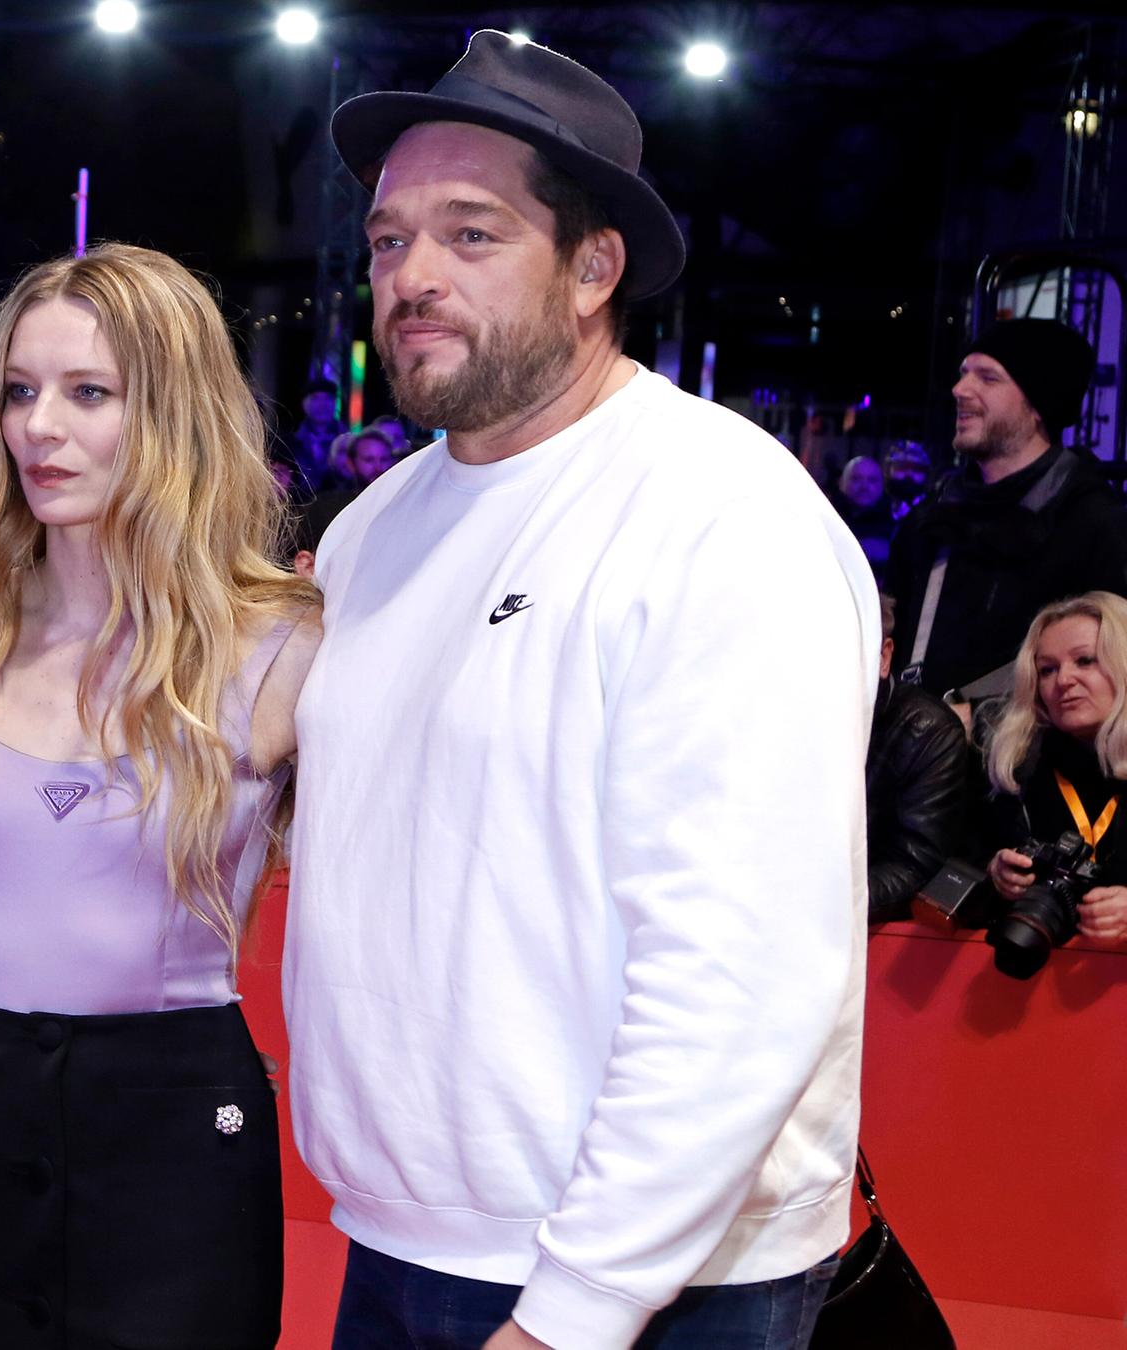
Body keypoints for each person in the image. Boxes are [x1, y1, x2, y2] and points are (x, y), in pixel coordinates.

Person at [292, 33, 875, 1350]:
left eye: (471, 234)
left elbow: (743, 961)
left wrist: (581, 1304)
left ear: (593, 268)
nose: (413, 277)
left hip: (645, 1283)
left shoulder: (721, 515)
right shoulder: (370, 530)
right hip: (398, 1232)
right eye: (389, 241)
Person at [0, 243, 321, 1348]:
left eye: (89, 394)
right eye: (21, 392)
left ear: (170, 414)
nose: (40, 428)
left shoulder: (279, 650)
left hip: (176, 1123)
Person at [887, 318, 1122, 698]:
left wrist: (980, 719)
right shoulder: (930, 523)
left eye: (988, 378)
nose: (960, 389)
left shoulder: (1095, 526)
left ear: (1040, 404)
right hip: (924, 750)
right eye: (964, 374)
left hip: (1032, 753)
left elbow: (1106, 677)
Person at [980, 593, 1127, 953]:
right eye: (1047, 669)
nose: (1063, 680)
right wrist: (995, 875)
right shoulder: (1017, 767)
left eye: (1085, 661)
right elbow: (956, 869)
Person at [865, 592, 972, 923]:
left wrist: (815, 901)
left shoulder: (928, 732)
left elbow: (915, 866)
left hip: (862, 926)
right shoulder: (773, 717)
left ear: (884, 657)